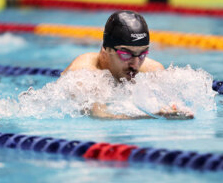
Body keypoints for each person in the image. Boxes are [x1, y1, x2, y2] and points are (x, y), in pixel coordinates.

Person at [63, 10, 193, 120]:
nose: (135, 65)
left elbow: (170, 103)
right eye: (126, 54)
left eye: (142, 54)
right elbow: (101, 116)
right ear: (106, 49)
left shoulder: (151, 69)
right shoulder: (86, 74)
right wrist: (152, 116)